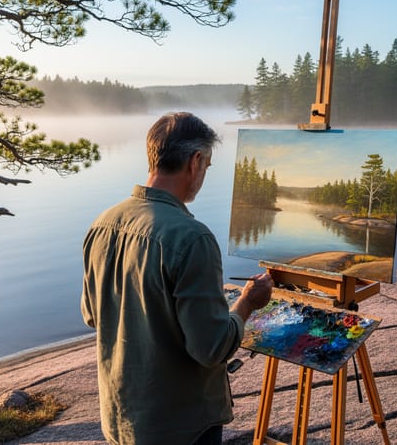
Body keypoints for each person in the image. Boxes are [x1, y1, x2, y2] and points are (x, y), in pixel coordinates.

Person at [82, 112, 273, 445]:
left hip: (121, 418)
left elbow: (92, 314)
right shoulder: (193, 238)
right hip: (181, 427)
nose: (204, 175)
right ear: (195, 161)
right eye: (208, 167)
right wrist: (246, 304)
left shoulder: (103, 222)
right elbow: (212, 348)